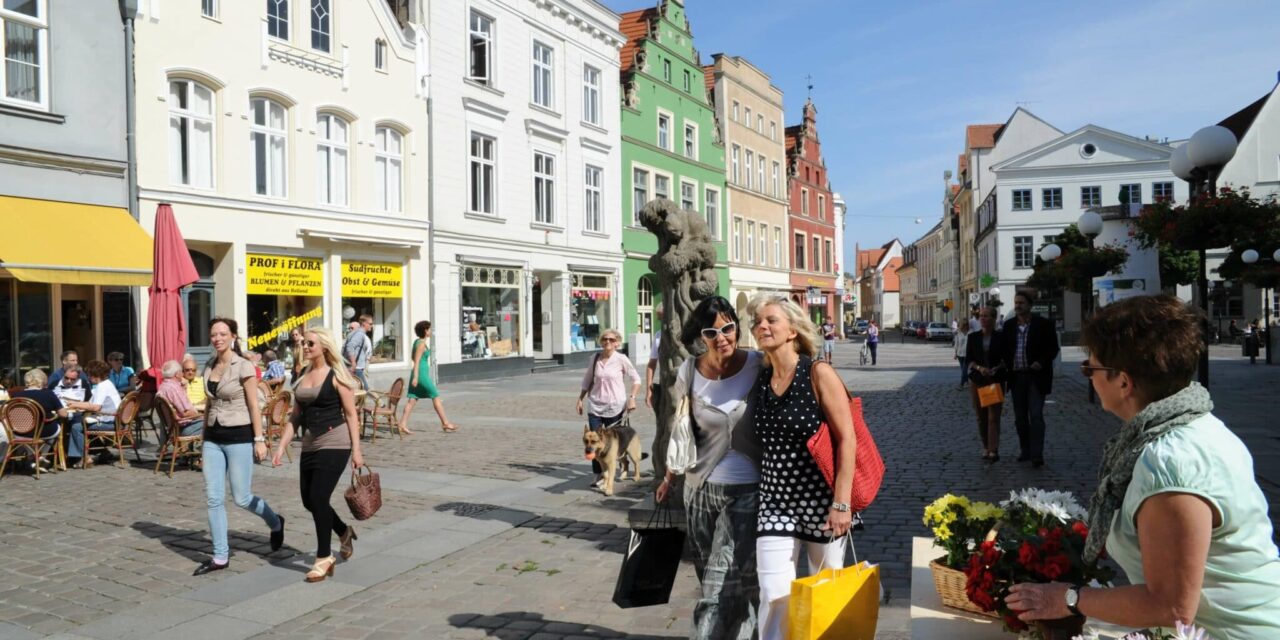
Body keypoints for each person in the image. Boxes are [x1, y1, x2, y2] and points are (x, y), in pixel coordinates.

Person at [1005, 295, 1280, 637]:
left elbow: (1171, 607)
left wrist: (1068, 598)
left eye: (1090, 368)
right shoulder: (1197, 422)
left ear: (1123, 381)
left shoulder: (1169, 463)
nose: (1088, 376)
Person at [747, 293, 856, 640]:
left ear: (793, 330)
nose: (761, 326)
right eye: (757, 322)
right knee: (773, 593)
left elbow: (847, 439)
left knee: (824, 592)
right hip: (775, 500)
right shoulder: (762, 377)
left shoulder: (818, 372)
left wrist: (841, 503)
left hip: (821, 501)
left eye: (771, 320)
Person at [655, 296, 763, 639]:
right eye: (712, 332)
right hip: (698, 490)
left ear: (736, 327)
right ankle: (748, 631)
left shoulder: (759, 365)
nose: (722, 338)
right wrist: (669, 476)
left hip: (747, 490)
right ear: (701, 336)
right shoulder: (689, 370)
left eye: (728, 328)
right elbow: (681, 427)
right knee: (714, 573)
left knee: (720, 581)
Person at [271, 327, 364, 583]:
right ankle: (344, 531)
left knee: (319, 496)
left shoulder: (337, 376)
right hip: (311, 443)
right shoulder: (302, 377)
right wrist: (281, 446)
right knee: (309, 501)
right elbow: (296, 416)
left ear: (324, 346)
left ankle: (324, 557)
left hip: (336, 441)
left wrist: (357, 450)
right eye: (304, 343)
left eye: (311, 343)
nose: (306, 346)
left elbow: (351, 414)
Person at [195, 317, 284, 576]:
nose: (217, 338)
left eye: (223, 333)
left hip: (239, 435)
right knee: (213, 497)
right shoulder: (209, 365)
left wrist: (259, 439)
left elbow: (254, 406)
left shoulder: (243, 366)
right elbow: (210, 404)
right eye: (213, 334)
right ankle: (220, 556)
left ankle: (275, 521)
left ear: (233, 336)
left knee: (242, 498)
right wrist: (203, 439)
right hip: (213, 435)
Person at [576, 328, 641, 486]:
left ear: (617, 342)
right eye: (605, 339)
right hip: (595, 405)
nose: (608, 342)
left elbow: (636, 379)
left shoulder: (622, 359)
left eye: (611, 340)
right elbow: (587, 379)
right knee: (593, 441)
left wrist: (632, 398)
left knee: (614, 444)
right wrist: (580, 399)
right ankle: (599, 474)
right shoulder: (595, 358)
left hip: (615, 406)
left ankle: (622, 465)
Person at [1001, 291, 1059, 468]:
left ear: (1030, 305)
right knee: (1020, 418)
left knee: (1036, 415)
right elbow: (1004, 349)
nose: (1018, 306)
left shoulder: (1044, 324)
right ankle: (1025, 450)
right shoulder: (1009, 325)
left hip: (1035, 377)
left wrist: (1040, 363)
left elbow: (1053, 349)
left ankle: (1037, 454)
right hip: (1016, 377)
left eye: (1021, 303)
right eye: (1016, 303)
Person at [399, 320, 457, 435]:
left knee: (412, 399)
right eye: (430, 329)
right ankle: (445, 423)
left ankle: (402, 424)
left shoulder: (418, 342)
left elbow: (412, 357)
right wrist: (416, 377)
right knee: (435, 395)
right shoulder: (421, 344)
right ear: (425, 331)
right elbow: (415, 361)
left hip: (419, 373)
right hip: (421, 375)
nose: (431, 331)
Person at [966, 306, 1008, 462]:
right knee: (981, 416)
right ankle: (985, 446)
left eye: (986, 316)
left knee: (993, 417)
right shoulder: (973, 337)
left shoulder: (1001, 337)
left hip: (995, 380)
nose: (982, 318)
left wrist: (998, 367)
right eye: (980, 316)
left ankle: (993, 449)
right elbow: (969, 359)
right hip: (978, 380)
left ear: (993, 318)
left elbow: (1007, 358)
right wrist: (979, 368)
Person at [63, 359, 122, 466]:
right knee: (84, 424)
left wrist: (75, 405)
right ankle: (103, 452)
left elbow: (95, 407)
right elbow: (91, 404)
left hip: (109, 422)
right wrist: (75, 403)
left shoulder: (102, 387)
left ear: (95, 375)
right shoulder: (107, 384)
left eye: (89, 375)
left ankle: (83, 458)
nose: (89, 378)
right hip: (114, 420)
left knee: (76, 427)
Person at [13, 369, 68, 470]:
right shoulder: (48, 394)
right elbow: (63, 414)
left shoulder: (16, 396)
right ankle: (41, 456)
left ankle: (33, 457)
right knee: (56, 426)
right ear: (42, 380)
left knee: (31, 433)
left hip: (21, 432)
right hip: (45, 431)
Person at [156, 359, 204, 442]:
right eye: (182, 371)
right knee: (214, 423)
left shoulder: (163, 386)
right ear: (177, 374)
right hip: (184, 429)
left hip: (172, 428)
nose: (183, 374)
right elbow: (186, 413)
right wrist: (201, 415)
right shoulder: (174, 388)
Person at [343, 314, 373, 390]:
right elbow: (350, 346)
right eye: (370, 324)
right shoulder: (360, 334)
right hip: (357, 368)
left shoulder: (353, 333)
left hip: (349, 366)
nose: (371, 326)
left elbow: (344, 348)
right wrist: (353, 363)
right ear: (364, 324)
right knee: (365, 390)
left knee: (355, 391)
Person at [645, 306, 664, 412]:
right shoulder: (658, 335)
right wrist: (649, 390)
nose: (661, 322)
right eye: (659, 319)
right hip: (665, 383)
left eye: (662, 318)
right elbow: (651, 364)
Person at [953, 319, 970, 390]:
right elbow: (956, 344)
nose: (965, 326)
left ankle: (961, 384)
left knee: (964, 369)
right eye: (964, 325)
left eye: (966, 325)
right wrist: (955, 353)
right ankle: (967, 382)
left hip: (968, 354)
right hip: (960, 354)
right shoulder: (958, 334)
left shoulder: (970, 333)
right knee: (963, 369)